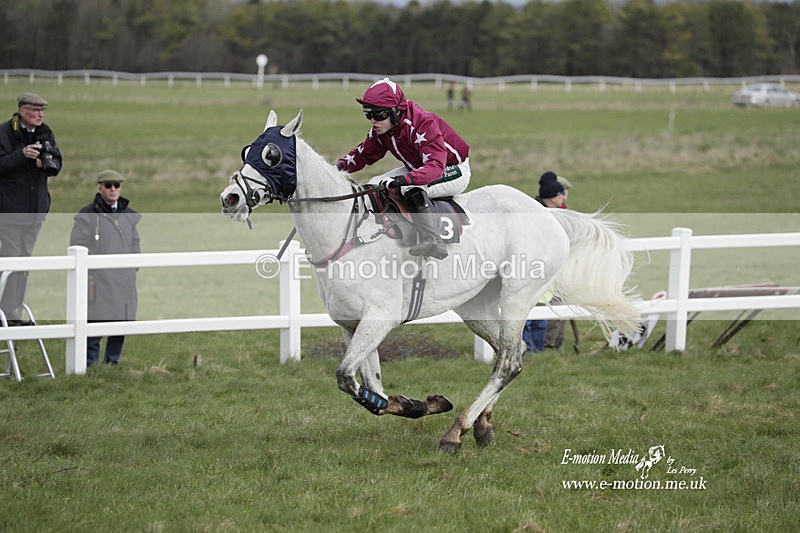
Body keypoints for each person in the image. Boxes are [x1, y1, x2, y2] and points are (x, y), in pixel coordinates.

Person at [336, 78, 470, 260]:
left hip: (453, 168)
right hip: (420, 167)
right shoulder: (382, 129)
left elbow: (436, 167)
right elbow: (362, 155)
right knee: (375, 184)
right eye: (368, 115)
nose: (373, 121)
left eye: (379, 115)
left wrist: (404, 180)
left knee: (409, 187)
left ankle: (434, 240)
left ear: (395, 112)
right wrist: (335, 169)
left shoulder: (423, 124)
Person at [0, 92, 63, 326]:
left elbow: (57, 162)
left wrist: (45, 163)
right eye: (35, 111)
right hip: (8, 211)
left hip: (35, 212)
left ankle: (13, 313)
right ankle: (5, 313)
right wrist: (21, 155)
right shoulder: (4, 132)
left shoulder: (45, 132)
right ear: (22, 110)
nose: (40, 115)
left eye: (42, 111)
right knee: (11, 259)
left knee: (25, 263)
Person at [70, 170, 141, 367]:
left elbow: (135, 241)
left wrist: (133, 265)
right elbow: (77, 244)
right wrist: (93, 271)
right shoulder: (87, 216)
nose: (112, 189)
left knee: (121, 325)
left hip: (124, 280)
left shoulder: (128, 215)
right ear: (100, 188)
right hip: (99, 281)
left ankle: (112, 364)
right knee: (95, 325)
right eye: (108, 185)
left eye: (116, 185)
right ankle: (89, 366)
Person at [523, 171, 566, 352]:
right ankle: (527, 349)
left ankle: (537, 351)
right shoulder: (538, 214)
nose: (564, 197)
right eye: (561, 194)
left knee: (540, 319)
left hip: (546, 274)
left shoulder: (553, 212)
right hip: (533, 271)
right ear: (554, 197)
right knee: (529, 319)